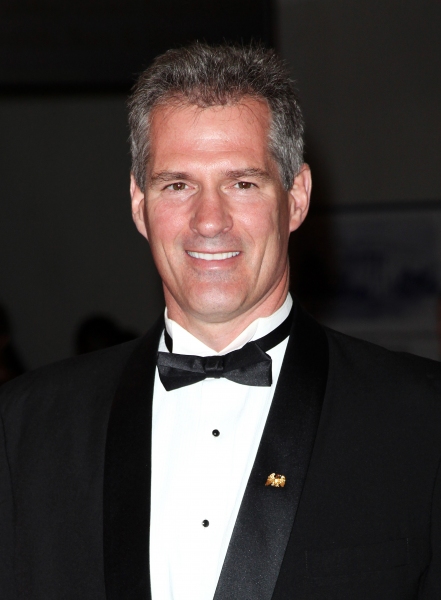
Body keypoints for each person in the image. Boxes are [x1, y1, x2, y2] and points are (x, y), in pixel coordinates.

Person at [1, 43, 441, 600]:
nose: (209, 221)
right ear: (139, 203)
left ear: (297, 197)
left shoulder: (422, 421)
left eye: (242, 183)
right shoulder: (25, 430)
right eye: (178, 185)